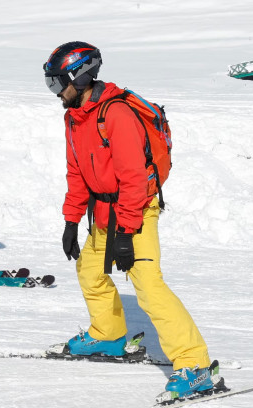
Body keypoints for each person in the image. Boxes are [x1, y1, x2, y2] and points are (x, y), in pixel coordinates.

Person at [44, 42, 221, 404]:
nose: (56, 92)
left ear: (80, 75)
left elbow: (134, 180)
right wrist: (71, 219)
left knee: (148, 285)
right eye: (50, 84)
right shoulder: (75, 117)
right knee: (89, 271)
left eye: (58, 82)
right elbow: (76, 171)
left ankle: (195, 366)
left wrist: (125, 232)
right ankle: (108, 334)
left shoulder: (117, 115)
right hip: (105, 213)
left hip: (135, 210)